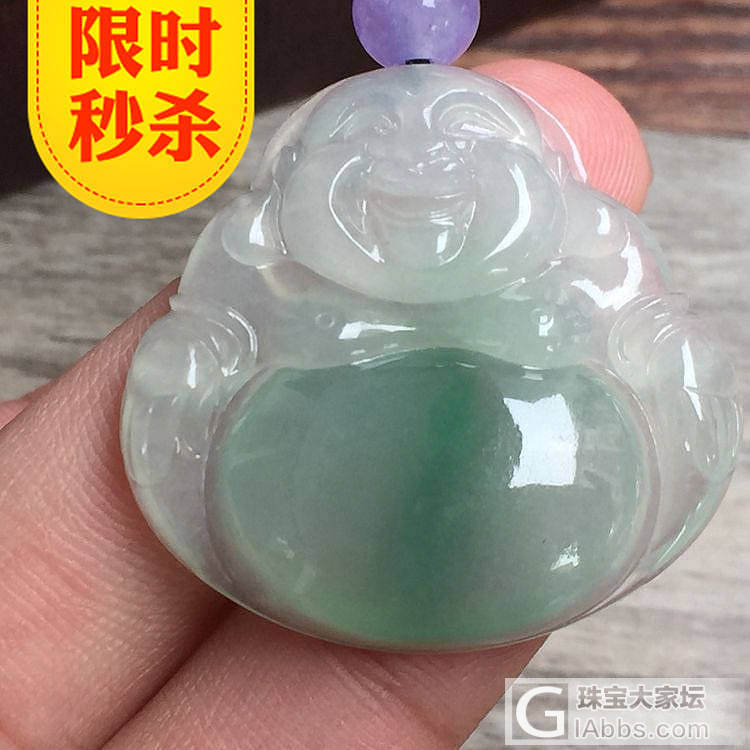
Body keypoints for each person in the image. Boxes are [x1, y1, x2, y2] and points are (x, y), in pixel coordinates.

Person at [0, 58, 651, 749]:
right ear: (297, 174)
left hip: (538, 522)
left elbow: (655, 350)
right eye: (370, 132)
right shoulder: (256, 270)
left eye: (466, 131)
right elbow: (188, 369)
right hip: (300, 513)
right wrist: (184, 378)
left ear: (542, 177)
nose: (419, 159)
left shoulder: (583, 276)